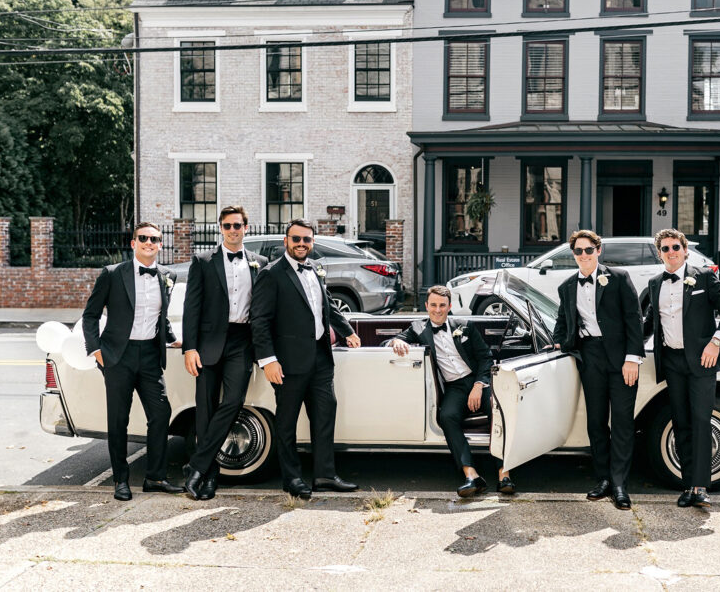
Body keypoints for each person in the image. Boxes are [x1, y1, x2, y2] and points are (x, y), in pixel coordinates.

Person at [250, 219, 362, 499]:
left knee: (324, 416)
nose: (302, 244)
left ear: (312, 242)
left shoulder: (315, 269)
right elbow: (259, 321)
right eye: (297, 239)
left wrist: (347, 331)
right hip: (287, 363)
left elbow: (326, 306)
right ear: (286, 241)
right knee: (286, 423)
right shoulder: (271, 274)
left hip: (320, 360)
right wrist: (268, 360)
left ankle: (324, 475)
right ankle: (293, 479)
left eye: (307, 240)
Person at [82, 222, 184, 501]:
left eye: (155, 239)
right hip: (118, 356)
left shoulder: (167, 275)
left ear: (160, 244)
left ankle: (155, 477)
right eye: (144, 238)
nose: (149, 242)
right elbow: (90, 315)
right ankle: (120, 480)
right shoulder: (113, 274)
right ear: (133, 243)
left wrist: (173, 338)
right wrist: (96, 350)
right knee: (119, 420)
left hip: (150, 355)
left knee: (161, 413)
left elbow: (159, 317)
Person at [385, 286, 515, 497]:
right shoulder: (418, 328)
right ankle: (471, 475)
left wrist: (478, 385)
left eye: (442, 305)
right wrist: (396, 341)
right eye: (433, 305)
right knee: (447, 416)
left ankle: (504, 472)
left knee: (497, 410)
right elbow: (390, 342)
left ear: (450, 306)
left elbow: (485, 358)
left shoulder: (464, 326)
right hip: (454, 387)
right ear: (426, 306)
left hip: (477, 382)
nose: (438, 310)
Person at [642, 229, 720, 508]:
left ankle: (700, 487)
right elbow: (648, 324)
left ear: (685, 250)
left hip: (702, 361)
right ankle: (688, 486)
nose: (671, 252)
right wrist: (628, 351)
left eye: (675, 247)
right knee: (680, 422)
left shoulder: (704, 277)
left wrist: (715, 343)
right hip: (671, 362)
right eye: (665, 248)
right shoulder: (654, 283)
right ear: (659, 253)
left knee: (700, 420)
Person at [552, 229, 644, 510]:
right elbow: (563, 322)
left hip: (620, 358)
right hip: (590, 357)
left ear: (598, 251)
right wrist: (557, 344)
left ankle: (619, 484)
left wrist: (632, 358)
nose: (583, 256)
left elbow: (634, 319)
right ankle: (603, 478)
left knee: (623, 423)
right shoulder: (567, 287)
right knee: (596, 422)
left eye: (588, 250)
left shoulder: (618, 278)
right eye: (578, 251)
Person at [181, 205, 269, 500]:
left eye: (238, 225)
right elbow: (191, 308)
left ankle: (195, 466)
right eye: (228, 225)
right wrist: (189, 347)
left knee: (233, 402)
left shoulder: (261, 262)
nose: (233, 230)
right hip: (208, 342)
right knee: (205, 408)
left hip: (243, 341)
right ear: (220, 228)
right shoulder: (203, 261)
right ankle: (208, 476)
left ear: (246, 227)